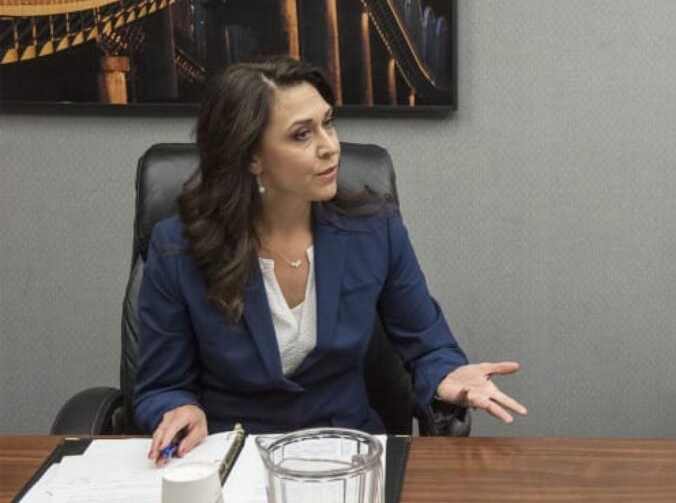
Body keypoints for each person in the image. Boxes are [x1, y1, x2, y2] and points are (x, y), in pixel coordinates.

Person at [134, 58, 525, 462]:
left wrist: (446, 375)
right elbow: (161, 386)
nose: (330, 146)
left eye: (329, 123)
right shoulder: (178, 249)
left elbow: (427, 346)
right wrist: (179, 410)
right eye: (302, 135)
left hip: (348, 461)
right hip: (233, 461)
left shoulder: (375, 232)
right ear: (251, 156)